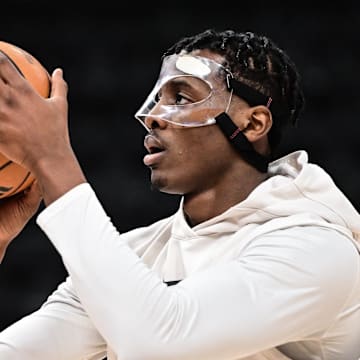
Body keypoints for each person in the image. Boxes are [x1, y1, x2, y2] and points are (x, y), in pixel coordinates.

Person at [0, 28, 358, 360]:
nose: (153, 116)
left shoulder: (317, 247)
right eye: (157, 99)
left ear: (253, 124)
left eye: (181, 96)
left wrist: (51, 159)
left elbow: (157, 344)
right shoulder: (133, 256)